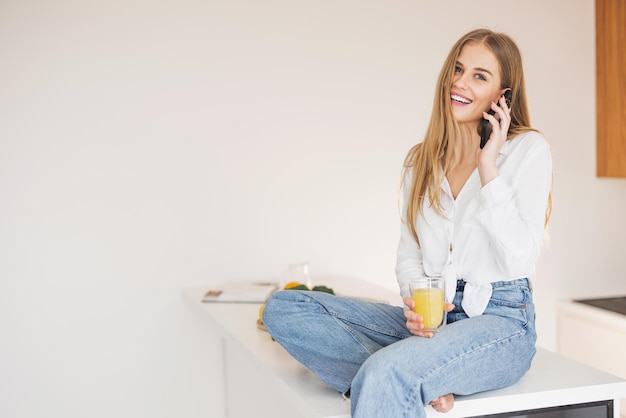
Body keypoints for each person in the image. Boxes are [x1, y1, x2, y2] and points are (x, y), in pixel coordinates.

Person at [262, 28, 553, 417]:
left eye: (479, 76)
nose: (460, 82)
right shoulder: (422, 161)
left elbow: (520, 256)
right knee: (285, 308)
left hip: (500, 321)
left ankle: (404, 374)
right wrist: (415, 304)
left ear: (503, 95)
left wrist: (488, 167)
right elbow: (409, 254)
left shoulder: (527, 151)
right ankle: (421, 377)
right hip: (433, 321)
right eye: (458, 69)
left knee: (390, 371)